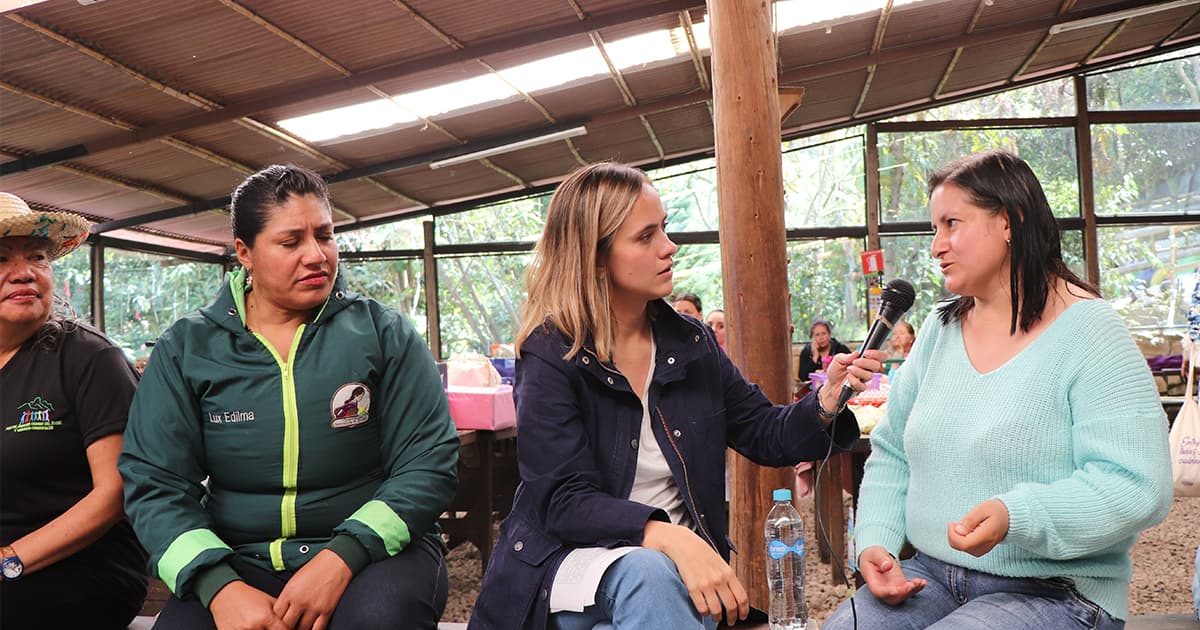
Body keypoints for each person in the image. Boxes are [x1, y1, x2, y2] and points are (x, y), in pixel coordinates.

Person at [468, 162, 883, 630]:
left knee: (659, 591)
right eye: (645, 236)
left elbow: (764, 432)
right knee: (649, 572)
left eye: (663, 228)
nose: (669, 246)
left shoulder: (690, 343)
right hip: (573, 562)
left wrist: (827, 399)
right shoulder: (550, 352)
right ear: (596, 256)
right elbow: (563, 499)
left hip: (676, 575)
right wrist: (665, 535)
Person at [824, 151, 1172, 630]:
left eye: (952, 224)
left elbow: (1139, 487)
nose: (936, 246)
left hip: (1057, 591)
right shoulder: (938, 328)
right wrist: (877, 541)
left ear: (1009, 221)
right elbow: (892, 452)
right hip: (932, 576)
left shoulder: (1092, 331)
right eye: (934, 229)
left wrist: (1016, 515)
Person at [119, 165, 459, 630]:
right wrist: (220, 588)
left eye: (325, 235)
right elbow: (155, 482)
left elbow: (429, 463)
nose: (316, 255)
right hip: (237, 559)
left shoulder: (382, 334)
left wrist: (342, 557)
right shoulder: (188, 347)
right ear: (245, 253)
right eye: (291, 241)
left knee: (377, 620)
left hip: (374, 555)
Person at [0, 192, 148, 629]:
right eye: (1, 258)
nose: (23, 272)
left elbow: (115, 492)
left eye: (37, 257)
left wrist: (11, 560)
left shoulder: (88, 358)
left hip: (83, 564)